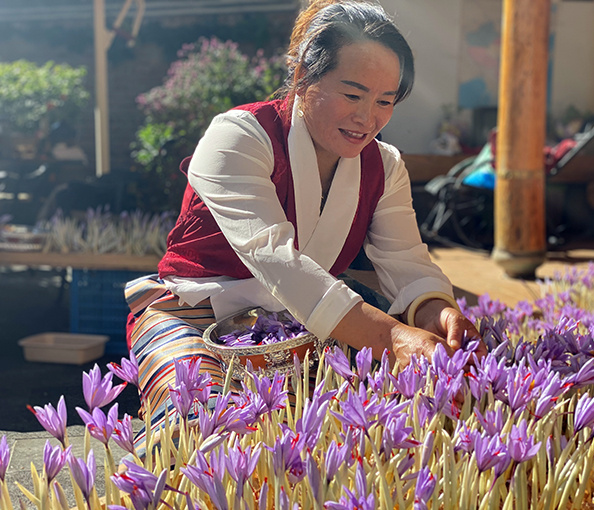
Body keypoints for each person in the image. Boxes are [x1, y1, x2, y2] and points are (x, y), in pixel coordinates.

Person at [125, 0, 484, 456]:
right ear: (301, 77)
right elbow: (277, 261)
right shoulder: (239, 137)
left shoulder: (385, 166)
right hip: (197, 315)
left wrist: (437, 311)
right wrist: (394, 337)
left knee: (421, 410)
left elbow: (407, 264)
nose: (367, 118)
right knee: (208, 434)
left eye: (385, 101)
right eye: (352, 95)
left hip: (309, 323)